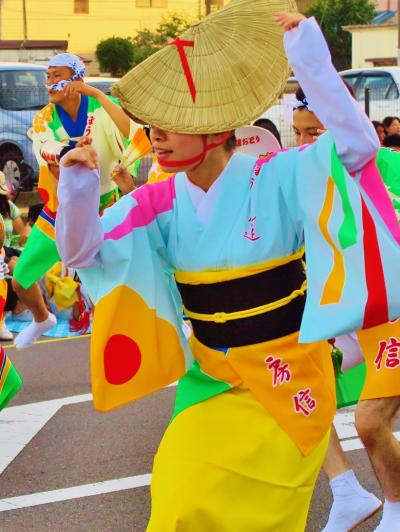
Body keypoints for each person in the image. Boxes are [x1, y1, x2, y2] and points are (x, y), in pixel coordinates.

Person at [55, 5, 400, 531]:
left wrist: (310, 59)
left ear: (213, 129)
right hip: (210, 380)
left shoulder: (278, 175)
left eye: (171, 126)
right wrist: (77, 189)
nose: (157, 136)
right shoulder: (159, 201)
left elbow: (358, 147)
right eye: (153, 127)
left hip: (288, 382)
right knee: (174, 505)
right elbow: (83, 255)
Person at [293, 82, 400, 532]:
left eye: (315, 132)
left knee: (370, 422)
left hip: (393, 315)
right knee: (297, 394)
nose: (305, 143)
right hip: (353, 318)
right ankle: (347, 491)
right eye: (298, 133)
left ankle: (394, 506)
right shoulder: (302, 179)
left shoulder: (388, 165)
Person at [11, 52, 137, 349]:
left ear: (76, 79)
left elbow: (130, 132)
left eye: (57, 75)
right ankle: (42, 318)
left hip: (105, 210)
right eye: (48, 76)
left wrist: (94, 91)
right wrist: (72, 151)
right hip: (61, 213)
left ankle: (144, 328)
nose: (50, 82)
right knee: (20, 279)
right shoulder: (44, 117)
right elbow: (45, 146)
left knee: (121, 281)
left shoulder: (102, 108)